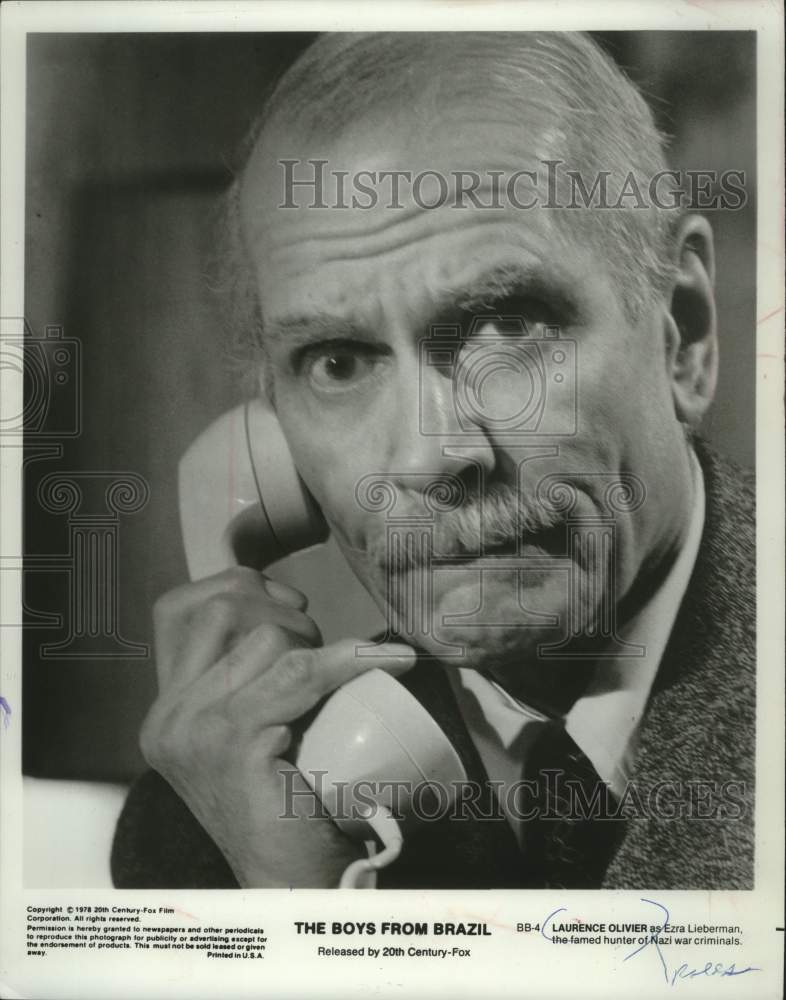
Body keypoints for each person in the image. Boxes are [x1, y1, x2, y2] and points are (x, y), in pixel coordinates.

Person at [111, 31, 754, 890]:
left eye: (509, 326)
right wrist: (294, 886)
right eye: (338, 361)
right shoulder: (211, 825)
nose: (429, 457)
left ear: (683, 332)